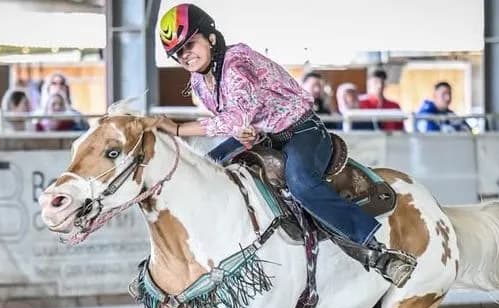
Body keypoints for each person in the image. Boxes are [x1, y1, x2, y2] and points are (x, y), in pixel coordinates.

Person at [154, 3, 415, 285]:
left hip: (301, 130)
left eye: (190, 44)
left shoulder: (235, 64)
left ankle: (376, 251)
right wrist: (246, 133)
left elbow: (237, 115)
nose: (185, 55)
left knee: (301, 182)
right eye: (178, 52)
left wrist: (178, 128)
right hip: (266, 136)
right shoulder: (200, 83)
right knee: (208, 169)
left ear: (211, 37)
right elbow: (240, 121)